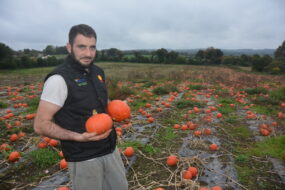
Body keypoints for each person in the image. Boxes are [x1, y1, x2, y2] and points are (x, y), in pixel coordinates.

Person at [34, 24, 128, 190]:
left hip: (110, 148)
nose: (88, 53)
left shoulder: (98, 72)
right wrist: (78, 137)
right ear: (69, 47)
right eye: (81, 47)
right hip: (83, 156)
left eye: (92, 47)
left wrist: (118, 109)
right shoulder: (58, 79)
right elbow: (41, 124)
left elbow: (102, 105)